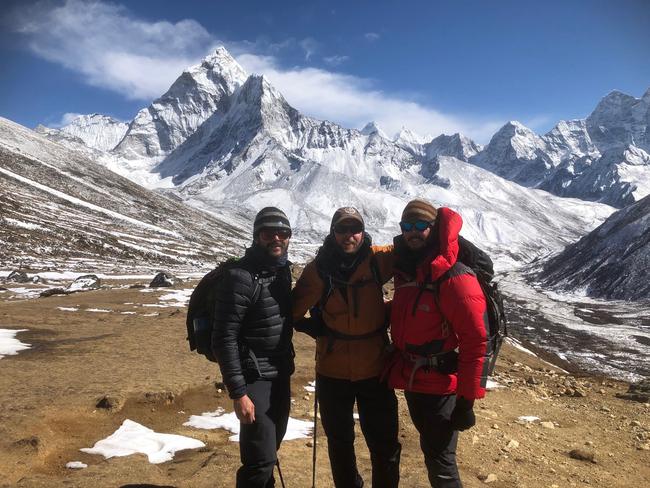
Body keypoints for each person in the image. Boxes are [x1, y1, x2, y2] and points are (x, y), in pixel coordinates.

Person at [292, 207, 401, 488]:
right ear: (333, 232)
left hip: (375, 369)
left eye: (354, 229)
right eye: (342, 230)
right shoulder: (318, 270)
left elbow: (416, 243)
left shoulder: (378, 259)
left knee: (385, 444)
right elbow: (291, 309)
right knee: (340, 443)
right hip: (333, 372)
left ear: (363, 232)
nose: (348, 236)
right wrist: (309, 325)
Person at [386, 199, 489, 488]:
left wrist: (467, 401)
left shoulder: (454, 276)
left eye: (421, 225)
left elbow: (476, 339)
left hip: (442, 388)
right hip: (415, 381)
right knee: (433, 454)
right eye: (408, 226)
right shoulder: (411, 268)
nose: (414, 232)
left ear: (435, 228)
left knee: (441, 461)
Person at [212, 207, 295, 488]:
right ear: (256, 236)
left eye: (282, 233)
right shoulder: (240, 277)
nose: (276, 238)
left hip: (280, 374)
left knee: (269, 452)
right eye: (268, 232)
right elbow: (223, 337)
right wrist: (239, 393)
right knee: (258, 460)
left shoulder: (282, 271)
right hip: (254, 378)